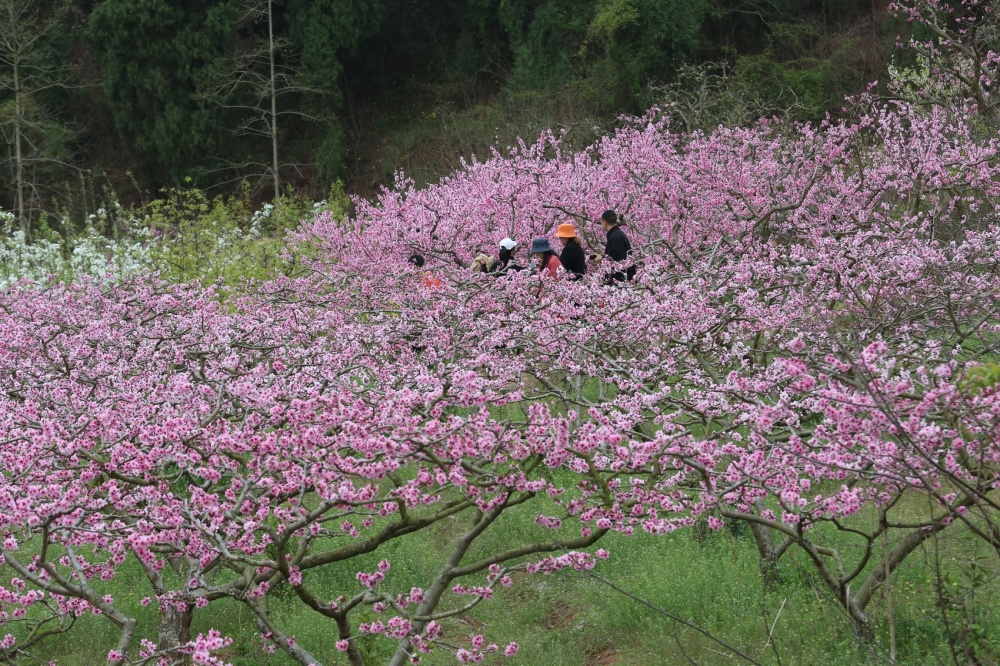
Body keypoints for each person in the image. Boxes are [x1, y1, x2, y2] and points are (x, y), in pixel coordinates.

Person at [591, 210, 635, 282]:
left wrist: (602, 258)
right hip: (623, 278)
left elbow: (619, 258)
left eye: (601, 222)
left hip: (620, 280)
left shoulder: (615, 237)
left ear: (604, 223)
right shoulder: (618, 234)